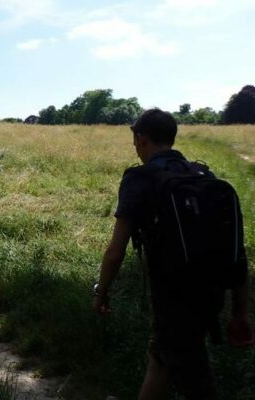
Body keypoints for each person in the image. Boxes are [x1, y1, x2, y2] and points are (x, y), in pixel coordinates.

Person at [94, 109, 253, 399]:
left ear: (141, 140)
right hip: (213, 291)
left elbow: (115, 252)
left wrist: (101, 291)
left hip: (173, 297)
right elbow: (236, 249)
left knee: (196, 380)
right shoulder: (203, 174)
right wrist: (241, 310)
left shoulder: (140, 178)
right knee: (161, 358)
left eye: (135, 141)